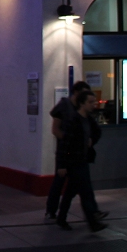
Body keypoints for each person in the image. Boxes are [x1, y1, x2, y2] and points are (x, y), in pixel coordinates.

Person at [55, 89, 107, 231]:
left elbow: (97, 132)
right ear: (82, 104)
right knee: (85, 191)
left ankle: (61, 217)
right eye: (90, 102)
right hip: (74, 162)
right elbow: (65, 144)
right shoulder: (74, 121)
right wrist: (62, 164)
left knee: (71, 191)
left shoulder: (88, 120)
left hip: (82, 160)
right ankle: (92, 222)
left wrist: (91, 140)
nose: (94, 105)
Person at [45, 81, 92, 222]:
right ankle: (51, 210)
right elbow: (55, 129)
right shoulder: (64, 107)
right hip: (65, 152)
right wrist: (70, 142)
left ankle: (91, 214)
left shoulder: (81, 109)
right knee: (60, 181)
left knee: (80, 184)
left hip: (78, 154)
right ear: (76, 93)